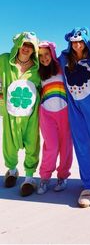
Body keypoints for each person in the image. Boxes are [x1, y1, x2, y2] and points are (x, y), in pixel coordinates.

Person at [59, 27, 90, 208]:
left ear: (85, 41)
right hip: (75, 111)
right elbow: (45, 58)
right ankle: (88, 186)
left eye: (80, 41)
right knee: (82, 145)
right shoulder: (64, 60)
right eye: (73, 42)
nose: (77, 45)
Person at [0, 32, 41, 196]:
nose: (26, 48)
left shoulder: (38, 69)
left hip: (31, 114)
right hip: (10, 112)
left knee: (32, 143)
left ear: (34, 50)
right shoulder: (4, 60)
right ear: (18, 44)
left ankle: (29, 178)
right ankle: (11, 170)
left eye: (30, 46)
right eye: (24, 44)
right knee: (9, 143)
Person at [37, 41, 73, 194]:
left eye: (47, 54)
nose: (44, 58)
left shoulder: (61, 67)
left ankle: (63, 176)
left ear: (52, 53)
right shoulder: (38, 72)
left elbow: (69, 53)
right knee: (51, 146)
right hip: (46, 113)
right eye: (40, 56)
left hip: (64, 112)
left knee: (65, 147)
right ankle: (44, 178)